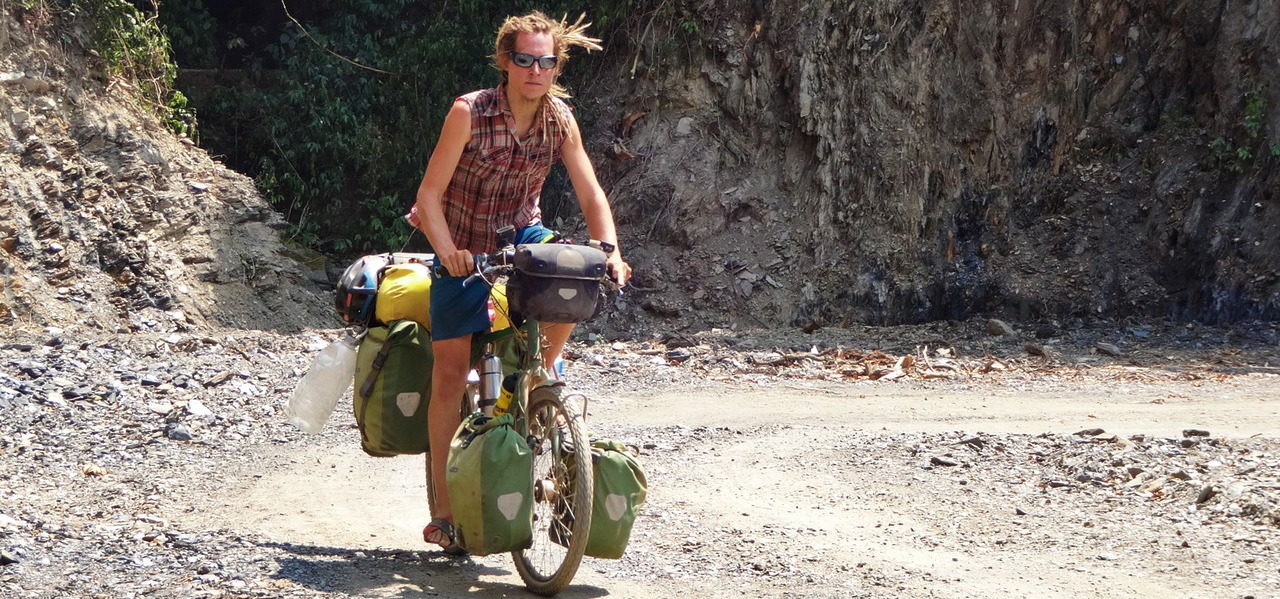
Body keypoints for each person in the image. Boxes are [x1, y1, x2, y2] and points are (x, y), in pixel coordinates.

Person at [409, 11, 631, 550]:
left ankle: (538, 374)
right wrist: (450, 254)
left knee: (576, 272)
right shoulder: (470, 112)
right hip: (461, 240)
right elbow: (427, 199)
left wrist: (611, 252)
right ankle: (443, 509)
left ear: (557, 66)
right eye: (525, 60)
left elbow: (590, 191)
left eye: (546, 61)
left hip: (520, 234)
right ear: (506, 62)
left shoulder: (559, 118)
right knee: (450, 372)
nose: (536, 70)